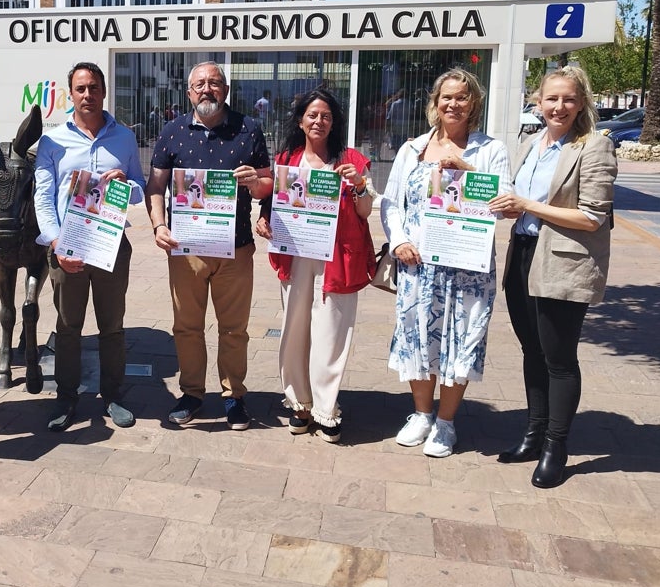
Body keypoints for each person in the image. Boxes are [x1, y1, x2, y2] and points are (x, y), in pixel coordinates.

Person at [489, 65, 616, 488]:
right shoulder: (530, 144)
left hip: (563, 262)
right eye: (551, 99)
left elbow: (592, 217)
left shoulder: (593, 147)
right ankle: (533, 433)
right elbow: (522, 204)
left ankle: (555, 446)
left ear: (582, 103)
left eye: (569, 99)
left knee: (559, 360)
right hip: (524, 254)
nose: (559, 107)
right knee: (532, 351)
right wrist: (511, 207)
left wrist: (526, 204)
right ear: (537, 101)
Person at [380, 68, 509, 458]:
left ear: (475, 104)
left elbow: (505, 204)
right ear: (434, 104)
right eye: (447, 97)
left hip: (468, 267)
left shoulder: (490, 150)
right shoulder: (412, 148)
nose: (454, 104)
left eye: (462, 98)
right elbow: (390, 202)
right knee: (418, 336)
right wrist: (398, 240)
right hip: (418, 264)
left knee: (460, 339)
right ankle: (421, 413)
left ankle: (447, 423)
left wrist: (467, 170)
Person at [147, 61, 272, 430]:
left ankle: (234, 396)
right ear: (188, 92)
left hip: (236, 248)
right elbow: (156, 188)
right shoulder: (173, 131)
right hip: (187, 250)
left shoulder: (249, 129)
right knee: (186, 326)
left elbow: (268, 185)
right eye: (199, 84)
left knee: (234, 329)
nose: (207, 89)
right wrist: (158, 225)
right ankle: (192, 393)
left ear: (226, 90)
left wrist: (255, 182)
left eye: (214, 83)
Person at [256, 88, 375, 443]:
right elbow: (274, 202)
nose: (318, 121)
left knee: (332, 333)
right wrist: (265, 219)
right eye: (312, 115)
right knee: (295, 331)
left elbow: (366, 211)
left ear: (333, 122)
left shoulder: (352, 159)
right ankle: (299, 404)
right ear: (300, 121)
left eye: (325, 115)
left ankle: (326, 408)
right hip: (296, 256)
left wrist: (358, 186)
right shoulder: (288, 160)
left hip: (339, 258)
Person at [33, 62, 146, 432]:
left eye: (94, 88)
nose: (87, 95)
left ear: (103, 92)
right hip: (68, 246)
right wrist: (55, 244)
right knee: (68, 327)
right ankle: (67, 397)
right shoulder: (52, 141)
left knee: (112, 326)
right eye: (80, 89)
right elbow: (43, 197)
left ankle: (112, 396)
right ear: (71, 94)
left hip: (111, 244)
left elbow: (140, 190)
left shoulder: (125, 139)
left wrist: (125, 183)